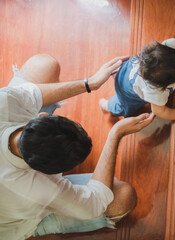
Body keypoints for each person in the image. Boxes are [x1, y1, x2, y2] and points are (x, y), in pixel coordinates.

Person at [0, 54, 155, 240]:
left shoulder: (3, 102)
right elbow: (94, 204)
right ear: (46, 173)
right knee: (124, 197)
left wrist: (90, 83)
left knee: (43, 65)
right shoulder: (40, 189)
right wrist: (115, 134)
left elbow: (32, 93)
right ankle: (37, 227)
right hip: (14, 218)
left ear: (41, 117)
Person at [99, 38, 175, 120]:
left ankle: (116, 75)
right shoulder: (154, 92)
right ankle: (105, 105)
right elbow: (159, 111)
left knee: (124, 74)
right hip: (127, 93)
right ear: (163, 87)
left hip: (127, 69)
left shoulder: (170, 46)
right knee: (122, 108)